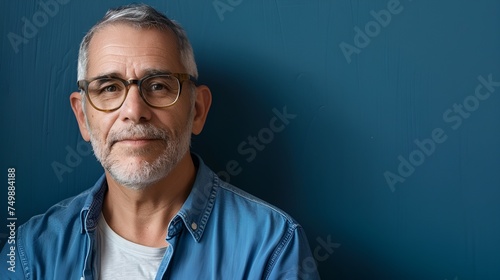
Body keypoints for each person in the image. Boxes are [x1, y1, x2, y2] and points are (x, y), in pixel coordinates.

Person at [1, 4, 319, 279]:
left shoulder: (271, 247)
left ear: (197, 110)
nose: (134, 111)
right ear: (83, 118)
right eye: (109, 88)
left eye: (158, 86)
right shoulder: (30, 253)